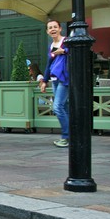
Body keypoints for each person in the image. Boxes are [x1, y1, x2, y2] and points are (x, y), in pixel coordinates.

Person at [39, 19, 69, 148]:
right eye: (50, 28)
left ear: (60, 28)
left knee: (57, 107)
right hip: (55, 80)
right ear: (47, 31)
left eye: (55, 27)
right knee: (64, 108)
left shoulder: (66, 42)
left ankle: (66, 136)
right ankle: (70, 136)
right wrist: (45, 81)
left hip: (65, 79)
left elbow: (78, 53)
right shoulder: (51, 46)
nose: (53, 29)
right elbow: (49, 64)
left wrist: (64, 51)